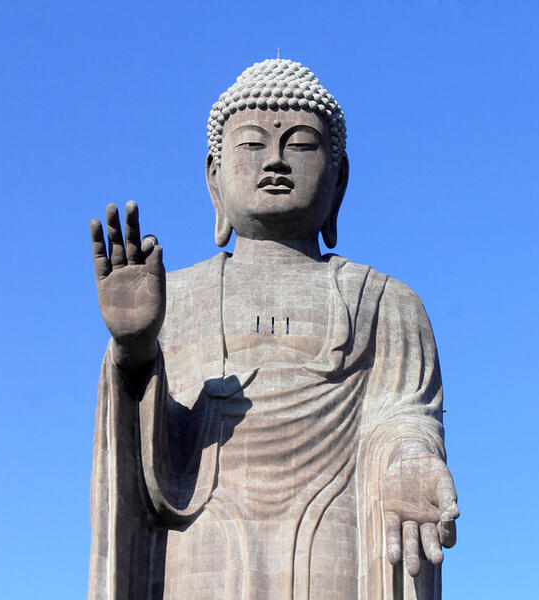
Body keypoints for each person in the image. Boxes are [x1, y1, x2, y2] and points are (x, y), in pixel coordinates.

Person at [88, 59, 458, 600]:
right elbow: (149, 468)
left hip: (336, 542)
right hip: (201, 544)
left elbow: (404, 414)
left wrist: (410, 458)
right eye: (252, 145)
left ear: (340, 178)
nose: (276, 162)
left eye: (302, 145)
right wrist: (136, 349)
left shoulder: (387, 304)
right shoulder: (177, 297)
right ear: (214, 178)